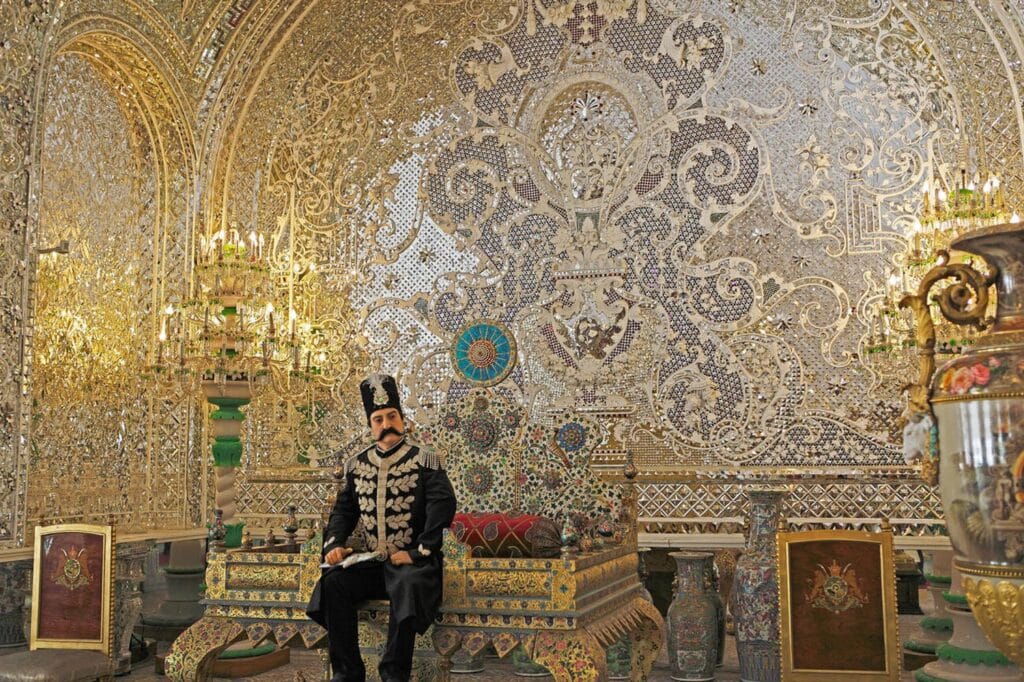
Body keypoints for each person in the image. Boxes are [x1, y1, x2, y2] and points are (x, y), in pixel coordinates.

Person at [306, 373, 457, 682]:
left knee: (407, 584)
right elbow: (343, 511)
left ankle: (393, 674)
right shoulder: (356, 464)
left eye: (391, 416)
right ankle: (347, 673)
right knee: (333, 583)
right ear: (370, 425)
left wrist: (417, 551)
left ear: (402, 419)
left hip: (414, 563)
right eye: (378, 419)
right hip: (374, 561)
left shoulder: (425, 460)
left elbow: (443, 507)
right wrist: (333, 545)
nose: (386, 423)